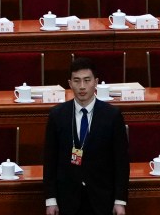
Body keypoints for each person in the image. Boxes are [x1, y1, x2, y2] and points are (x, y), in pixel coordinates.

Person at [40, 56, 127, 215]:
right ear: (70, 83)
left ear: (96, 82)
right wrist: (50, 199)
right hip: (67, 200)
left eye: (87, 80)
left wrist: (120, 200)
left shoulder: (112, 115)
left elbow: (121, 162)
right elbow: (50, 160)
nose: (82, 86)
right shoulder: (57, 115)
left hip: (102, 199)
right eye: (77, 80)